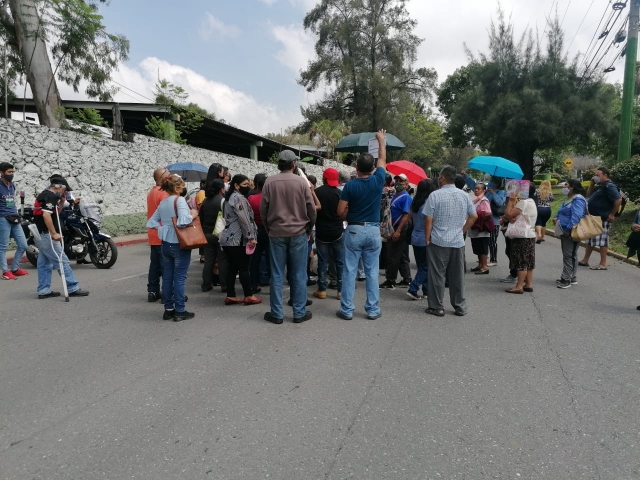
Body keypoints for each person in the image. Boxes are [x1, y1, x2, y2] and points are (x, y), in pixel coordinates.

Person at [336, 129, 388, 321]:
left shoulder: (350, 186)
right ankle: (373, 310)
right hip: (374, 230)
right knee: (372, 272)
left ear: (356, 167)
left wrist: (350, 214)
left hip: (354, 229)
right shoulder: (378, 179)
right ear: (373, 167)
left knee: (349, 270)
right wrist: (381, 140)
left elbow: (340, 211)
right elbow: (382, 159)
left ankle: (347, 310)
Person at [260, 150, 317, 324]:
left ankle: (277, 314)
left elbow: (263, 210)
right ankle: (299, 312)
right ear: (294, 164)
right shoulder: (301, 182)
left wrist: (269, 228)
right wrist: (309, 227)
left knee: (277, 273)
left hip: (276, 233)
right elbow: (311, 209)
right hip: (298, 233)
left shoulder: (269, 182)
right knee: (299, 273)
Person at [423, 165, 477, 317]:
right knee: (457, 276)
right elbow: (474, 216)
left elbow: (428, 218)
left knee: (437, 275)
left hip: (438, 240)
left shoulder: (435, 195)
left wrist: (427, 237)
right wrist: (463, 230)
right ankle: (460, 306)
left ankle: (437, 306)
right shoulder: (464, 195)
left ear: (442, 178)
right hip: (457, 241)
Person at [146, 174, 197, 321]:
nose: (183, 188)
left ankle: (168, 309)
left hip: (165, 244)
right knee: (180, 278)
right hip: (179, 244)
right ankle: (180, 310)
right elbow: (182, 221)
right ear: (176, 187)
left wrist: (164, 229)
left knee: (168, 277)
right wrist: (193, 214)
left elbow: (151, 222)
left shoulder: (164, 202)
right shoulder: (179, 200)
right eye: (181, 186)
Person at [32, 175, 90, 299]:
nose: (65, 192)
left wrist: (62, 201)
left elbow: (54, 214)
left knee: (44, 263)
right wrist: (53, 233)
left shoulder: (46, 195)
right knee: (61, 260)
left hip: (40, 234)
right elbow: (46, 216)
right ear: (59, 187)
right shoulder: (50, 196)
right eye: (64, 190)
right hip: (46, 234)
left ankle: (43, 290)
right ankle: (72, 287)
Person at [219, 174, 261, 306]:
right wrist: (251, 237)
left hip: (227, 239)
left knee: (232, 267)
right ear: (236, 185)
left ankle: (231, 295)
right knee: (243, 267)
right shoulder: (239, 199)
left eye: (248, 184)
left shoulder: (228, 198)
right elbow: (244, 220)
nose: (247, 187)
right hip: (238, 239)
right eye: (245, 185)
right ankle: (248, 295)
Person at [578, 167, 622, 270]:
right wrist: (592, 184)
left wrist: (612, 214)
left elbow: (618, 199)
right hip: (593, 217)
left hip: (602, 217)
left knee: (603, 241)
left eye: (597, 175)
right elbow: (588, 196)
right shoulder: (600, 186)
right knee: (590, 239)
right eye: (594, 175)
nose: (595, 177)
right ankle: (585, 260)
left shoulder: (609, 186)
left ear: (605, 175)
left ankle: (603, 263)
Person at [313, 168, 344, 300]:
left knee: (322, 261)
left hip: (321, 232)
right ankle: (340, 291)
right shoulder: (340, 193)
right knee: (339, 262)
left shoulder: (317, 192)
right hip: (337, 231)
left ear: (324, 178)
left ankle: (322, 290)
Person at [503, 186, 538, 294]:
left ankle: (519, 286)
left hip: (522, 237)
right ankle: (528, 284)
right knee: (528, 261)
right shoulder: (531, 201)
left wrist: (511, 201)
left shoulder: (523, 203)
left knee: (521, 261)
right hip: (530, 235)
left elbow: (508, 214)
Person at [553, 179, 587, 289]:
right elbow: (561, 211)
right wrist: (556, 217)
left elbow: (576, 216)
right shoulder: (568, 198)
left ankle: (566, 279)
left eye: (566, 184)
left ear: (572, 187)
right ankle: (570, 277)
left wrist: (568, 229)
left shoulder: (578, 199)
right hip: (563, 230)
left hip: (571, 231)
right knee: (569, 254)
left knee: (569, 255)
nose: (564, 186)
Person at [380, 174, 413, 289]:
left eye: (401, 181)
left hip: (399, 228)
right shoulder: (396, 195)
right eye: (397, 180)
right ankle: (406, 278)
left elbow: (406, 215)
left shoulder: (406, 197)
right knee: (402, 255)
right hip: (394, 227)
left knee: (392, 255)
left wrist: (398, 231)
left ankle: (390, 280)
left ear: (406, 183)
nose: (398, 183)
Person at [406, 179, 436, 300]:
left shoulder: (415, 202)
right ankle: (413, 288)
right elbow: (431, 220)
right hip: (425, 237)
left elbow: (409, 218)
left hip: (415, 236)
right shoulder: (429, 202)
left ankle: (426, 290)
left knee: (422, 265)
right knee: (427, 266)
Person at [0, 162, 29, 280]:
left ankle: (15, 268)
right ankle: (5, 271)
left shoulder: (12, 185)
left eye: (13, 172)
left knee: (23, 245)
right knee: (3, 246)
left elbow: (11, 201)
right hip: (3, 218)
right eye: (9, 172)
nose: (11, 174)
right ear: (2, 173)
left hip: (14, 217)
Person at [146, 167, 171, 301]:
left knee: (154, 266)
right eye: (168, 176)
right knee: (166, 266)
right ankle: (167, 293)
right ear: (161, 179)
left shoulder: (152, 192)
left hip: (153, 234)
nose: (170, 177)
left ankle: (152, 291)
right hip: (163, 234)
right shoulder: (164, 194)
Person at [199, 179, 225, 292]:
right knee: (222, 260)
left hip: (207, 233)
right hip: (220, 234)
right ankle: (224, 285)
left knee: (209, 260)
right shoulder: (223, 201)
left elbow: (201, 217)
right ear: (221, 189)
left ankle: (206, 284)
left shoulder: (206, 201)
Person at [248, 173, 270, 293]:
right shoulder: (271, 199)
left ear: (257, 185)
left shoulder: (251, 199)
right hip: (269, 230)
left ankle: (254, 284)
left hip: (255, 230)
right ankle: (272, 282)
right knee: (271, 259)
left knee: (255, 259)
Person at [468, 183, 494, 275]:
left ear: (484, 191)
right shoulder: (476, 200)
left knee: (483, 248)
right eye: (475, 188)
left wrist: (478, 217)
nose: (476, 190)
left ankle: (484, 267)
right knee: (478, 247)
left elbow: (488, 212)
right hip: (476, 228)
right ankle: (480, 265)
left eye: (478, 189)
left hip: (482, 228)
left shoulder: (484, 200)